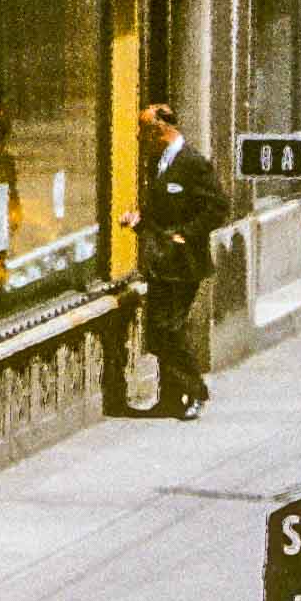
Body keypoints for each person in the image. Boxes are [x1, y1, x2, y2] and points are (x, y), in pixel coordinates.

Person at [133, 102, 233, 417]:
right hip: (162, 261)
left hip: (185, 263)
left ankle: (195, 390)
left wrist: (186, 234)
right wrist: (139, 220)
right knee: (159, 330)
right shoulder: (158, 163)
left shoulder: (192, 163)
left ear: (159, 129)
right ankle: (171, 397)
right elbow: (161, 210)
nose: (139, 137)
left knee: (169, 327)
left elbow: (218, 207)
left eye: (144, 129)